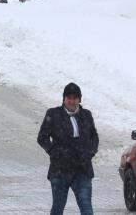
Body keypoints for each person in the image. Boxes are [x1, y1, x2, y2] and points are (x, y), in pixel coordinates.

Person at [38, 83, 99, 215]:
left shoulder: (86, 115)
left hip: (82, 169)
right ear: (64, 99)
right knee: (58, 208)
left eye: (75, 98)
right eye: (68, 98)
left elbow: (94, 137)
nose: (71, 101)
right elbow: (42, 137)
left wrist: (90, 152)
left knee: (86, 207)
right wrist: (54, 152)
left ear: (79, 99)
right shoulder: (53, 114)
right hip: (60, 170)